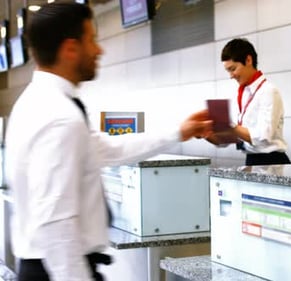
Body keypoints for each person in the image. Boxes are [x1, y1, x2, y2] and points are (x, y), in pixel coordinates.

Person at [4, 3, 211, 281]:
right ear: (70, 49)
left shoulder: (37, 103)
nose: (99, 50)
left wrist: (179, 132)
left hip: (47, 267)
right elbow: (56, 226)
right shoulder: (59, 117)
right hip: (57, 270)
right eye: (92, 40)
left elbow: (109, 149)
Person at [206, 38, 291, 166]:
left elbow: (263, 136)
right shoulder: (244, 93)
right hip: (252, 160)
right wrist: (207, 133)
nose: (231, 75)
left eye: (233, 69)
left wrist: (231, 126)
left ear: (248, 60)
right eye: (228, 70)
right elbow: (236, 137)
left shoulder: (268, 91)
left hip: (272, 161)